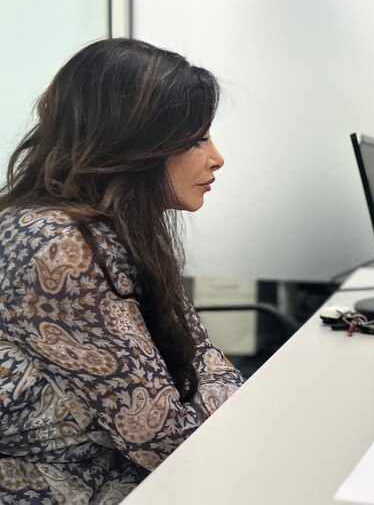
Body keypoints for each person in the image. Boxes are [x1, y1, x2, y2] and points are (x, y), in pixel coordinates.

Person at [0, 38, 245, 502]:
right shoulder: (60, 246)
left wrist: (213, 395)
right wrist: (228, 402)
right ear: (135, 143)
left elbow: (197, 354)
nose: (217, 157)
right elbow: (165, 438)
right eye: (197, 138)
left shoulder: (114, 227)